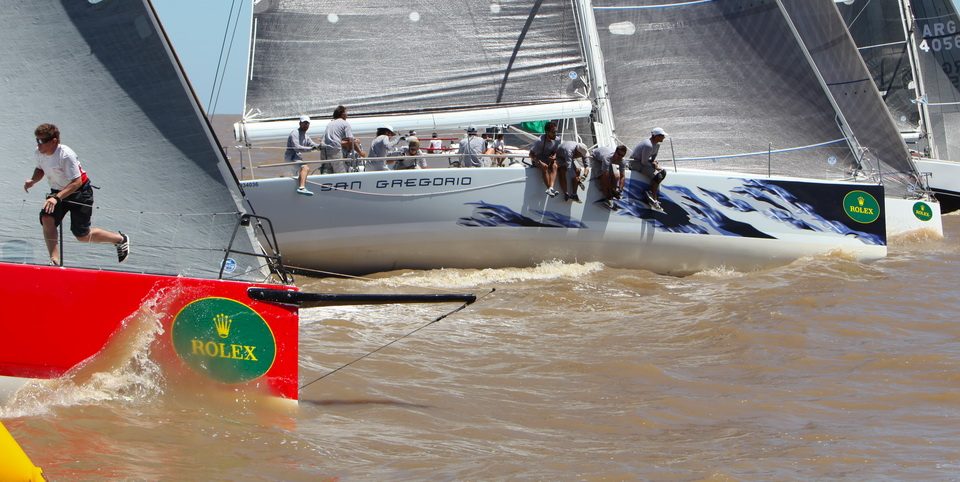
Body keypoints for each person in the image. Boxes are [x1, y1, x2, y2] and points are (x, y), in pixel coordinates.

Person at [23, 123, 129, 266]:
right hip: (58, 192)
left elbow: (77, 182)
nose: (38, 144)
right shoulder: (39, 152)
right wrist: (33, 180)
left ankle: (119, 239)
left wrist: (56, 198)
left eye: (42, 141)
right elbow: (40, 169)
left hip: (80, 193)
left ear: (54, 141)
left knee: (82, 235)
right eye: (37, 140)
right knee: (47, 218)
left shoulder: (66, 155)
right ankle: (54, 260)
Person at [628, 127, 668, 211]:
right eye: (662, 136)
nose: (664, 137)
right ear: (656, 136)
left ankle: (651, 192)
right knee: (657, 176)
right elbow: (643, 162)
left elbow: (652, 159)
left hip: (644, 162)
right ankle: (654, 198)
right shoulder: (648, 145)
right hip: (635, 163)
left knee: (663, 172)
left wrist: (654, 163)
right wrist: (654, 166)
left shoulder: (657, 145)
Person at [321, 105, 365, 174]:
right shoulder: (345, 123)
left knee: (327, 173)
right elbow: (351, 141)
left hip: (324, 151)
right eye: (346, 113)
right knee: (341, 173)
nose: (347, 115)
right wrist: (360, 152)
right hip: (335, 151)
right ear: (342, 114)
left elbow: (330, 139)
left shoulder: (330, 124)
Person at [284, 115, 320, 195]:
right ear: (300, 123)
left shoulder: (306, 136)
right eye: (304, 123)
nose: (306, 125)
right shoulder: (294, 133)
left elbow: (313, 145)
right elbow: (297, 148)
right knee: (305, 168)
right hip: (291, 158)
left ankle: (297, 189)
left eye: (307, 123)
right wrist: (311, 149)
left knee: (298, 173)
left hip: (297, 159)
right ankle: (302, 188)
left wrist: (321, 146)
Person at [529, 121, 561, 197]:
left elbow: (556, 151)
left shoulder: (557, 139)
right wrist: (539, 162)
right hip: (537, 159)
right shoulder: (539, 141)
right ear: (547, 132)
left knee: (555, 166)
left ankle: (551, 188)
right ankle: (549, 188)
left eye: (556, 132)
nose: (555, 134)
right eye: (553, 132)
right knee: (544, 167)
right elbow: (531, 154)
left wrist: (554, 156)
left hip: (548, 159)